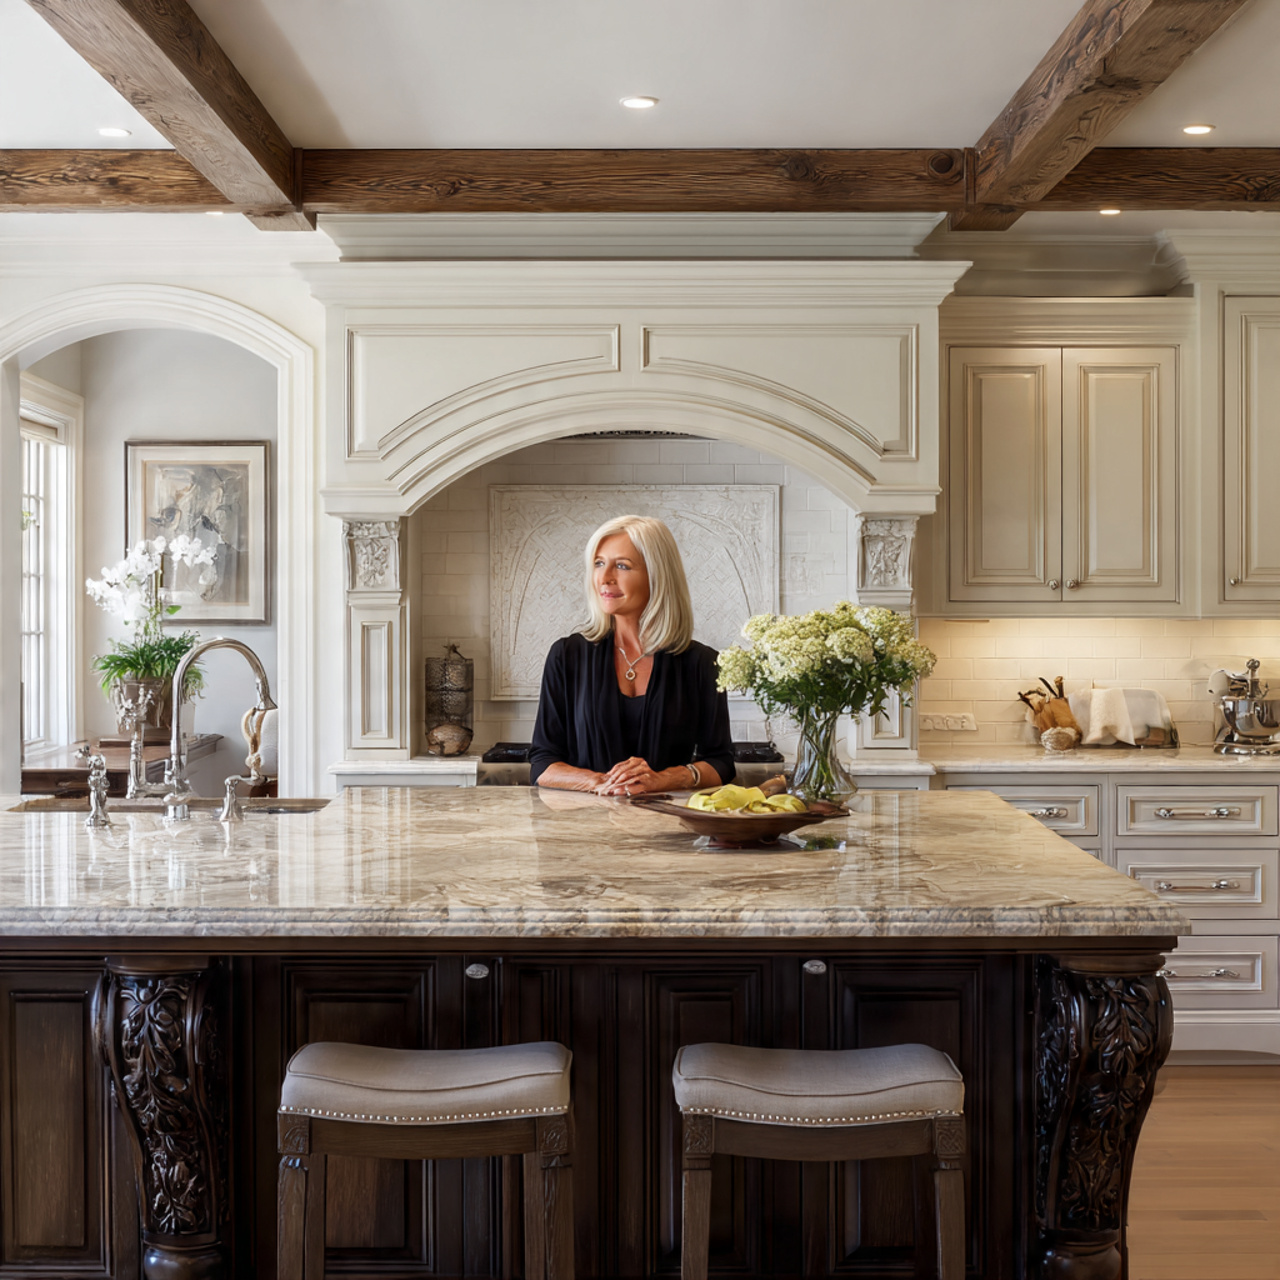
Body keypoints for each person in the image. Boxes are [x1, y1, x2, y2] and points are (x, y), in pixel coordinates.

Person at [530, 515, 735, 796]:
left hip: (671, 829)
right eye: (599, 563)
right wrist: (600, 782)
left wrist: (662, 779)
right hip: (582, 829)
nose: (604, 578)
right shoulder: (566, 656)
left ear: (657, 574)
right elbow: (542, 763)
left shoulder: (702, 663)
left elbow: (721, 762)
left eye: (622, 566)